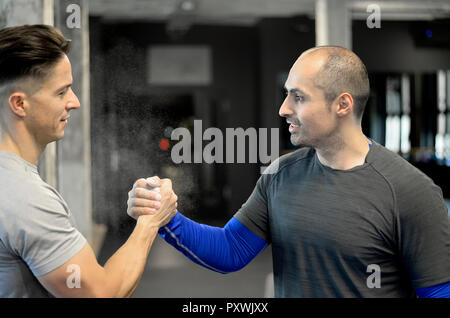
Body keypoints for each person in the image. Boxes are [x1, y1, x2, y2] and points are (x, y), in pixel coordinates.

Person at [128, 46, 450, 298]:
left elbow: (438, 292)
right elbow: (231, 250)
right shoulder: (280, 174)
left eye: (298, 97)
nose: (283, 109)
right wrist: (164, 215)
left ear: (342, 104)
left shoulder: (410, 191)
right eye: (286, 94)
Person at [0, 24, 177, 298]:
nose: (75, 102)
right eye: (61, 92)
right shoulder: (26, 198)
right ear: (20, 104)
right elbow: (100, 293)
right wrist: (150, 222)